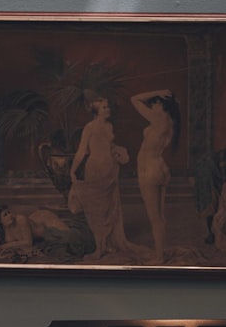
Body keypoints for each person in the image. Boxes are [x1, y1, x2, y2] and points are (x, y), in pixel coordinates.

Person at [69, 93, 140, 260]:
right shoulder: (90, 127)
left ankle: (107, 244)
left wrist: (118, 151)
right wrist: (72, 171)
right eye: (104, 107)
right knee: (96, 210)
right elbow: (82, 151)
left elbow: (110, 145)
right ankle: (99, 247)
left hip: (111, 170)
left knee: (109, 209)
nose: (108, 109)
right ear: (96, 111)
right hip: (95, 170)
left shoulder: (109, 126)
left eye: (108, 106)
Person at [131, 89, 180, 262]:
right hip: (159, 168)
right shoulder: (170, 122)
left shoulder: (159, 119)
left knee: (154, 217)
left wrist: (159, 91)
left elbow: (135, 98)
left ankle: (159, 256)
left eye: (154, 102)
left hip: (150, 170)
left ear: (161, 104)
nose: (152, 105)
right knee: (160, 216)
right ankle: (161, 251)